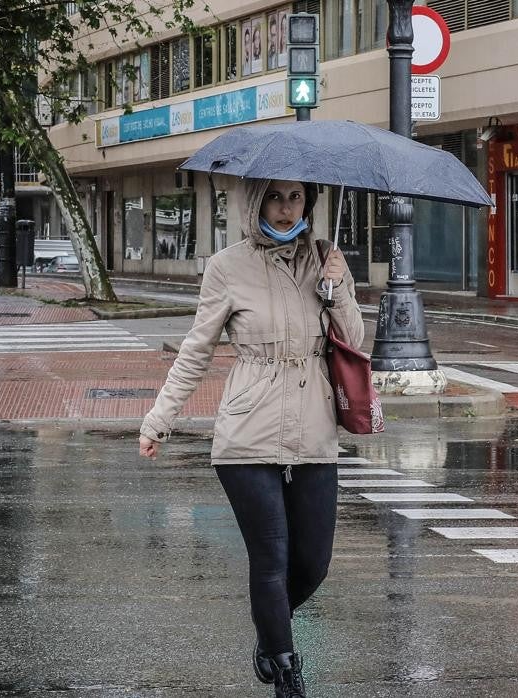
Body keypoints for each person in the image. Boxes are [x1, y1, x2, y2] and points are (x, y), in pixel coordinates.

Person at [138, 178, 361, 698]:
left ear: (309, 202)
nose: (286, 210)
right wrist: (158, 420)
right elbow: (197, 350)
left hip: (313, 425)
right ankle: (287, 673)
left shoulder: (324, 259)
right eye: (276, 198)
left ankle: (268, 632)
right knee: (271, 556)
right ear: (256, 201)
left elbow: (354, 342)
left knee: (313, 563)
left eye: (296, 198)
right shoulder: (227, 266)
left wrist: (338, 288)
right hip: (247, 429)